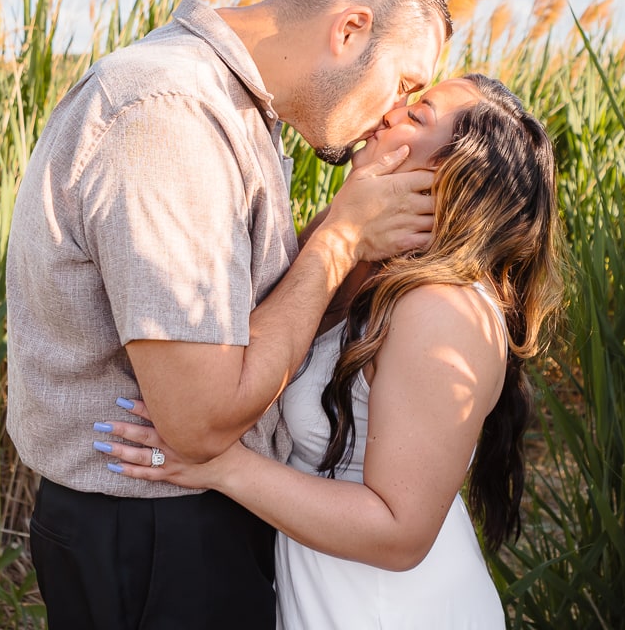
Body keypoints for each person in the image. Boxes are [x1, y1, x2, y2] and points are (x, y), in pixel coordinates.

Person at [5, 0, 453, 629]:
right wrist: (340, 239)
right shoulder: (170, 115)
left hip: (180, 524)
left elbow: (248, 316)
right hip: (152, 533)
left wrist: (352, 228)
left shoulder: (235, 108)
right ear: (350, 29)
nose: (393, 114)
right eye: (405, 83)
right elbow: (197, 423)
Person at [95, 74, 564, 629]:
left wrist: (219, 465)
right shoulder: (372, 263)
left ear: (454, 177)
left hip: (391, 611)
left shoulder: (441, 309)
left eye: (417, 116)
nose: (391, 111)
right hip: (334, 595)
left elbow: (399, 533)